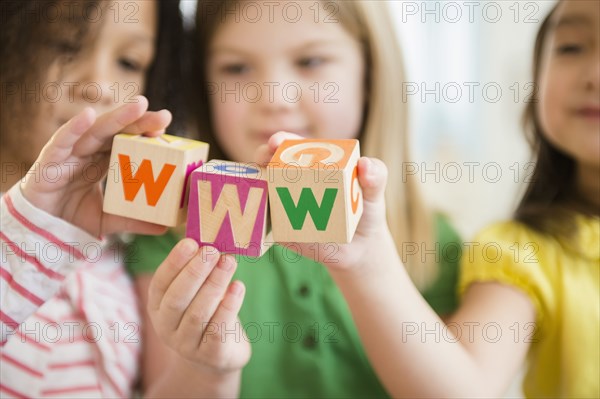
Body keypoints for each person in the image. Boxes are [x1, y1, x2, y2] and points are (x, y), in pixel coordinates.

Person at [228, 1, 596, 397]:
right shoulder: (520, 252)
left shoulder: (447, 243)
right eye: (572, 47)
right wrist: (367, 264)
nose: (594, 75)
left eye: (312, 60)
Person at [128, 1, 462, 397]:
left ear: (370, 74)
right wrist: (207, 370)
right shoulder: (172, 237)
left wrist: (371, 270)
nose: (274, 97)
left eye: (311, 61)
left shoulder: (432, 241)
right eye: (236, 68)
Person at [0, 1, 191, 396]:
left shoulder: (128, 256)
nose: (98, 85)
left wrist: (209, 371)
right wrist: (32, 228)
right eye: (66, 45)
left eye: (129, 61)